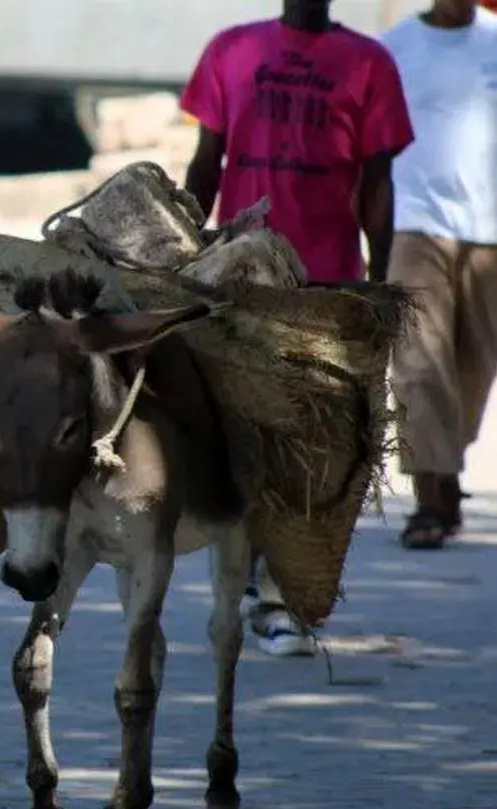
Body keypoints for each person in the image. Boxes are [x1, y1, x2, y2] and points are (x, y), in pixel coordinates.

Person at [179, 0, 415, 656]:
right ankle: (248, 572)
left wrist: (379, 281)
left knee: (310, 443)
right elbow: (207, 161)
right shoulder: (231, 50)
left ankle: (279, 592)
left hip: (327, 283)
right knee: (244, 434)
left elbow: (378, 181)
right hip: (241, 275)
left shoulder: (369, 64)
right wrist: (187, 247)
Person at [381, 0, 497, 549]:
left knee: (475, 367)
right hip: (415, 224)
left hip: (490, 232)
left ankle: (446, 464)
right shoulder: (396, 48)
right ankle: (429, 496)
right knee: (419, 364)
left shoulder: (494, 40)